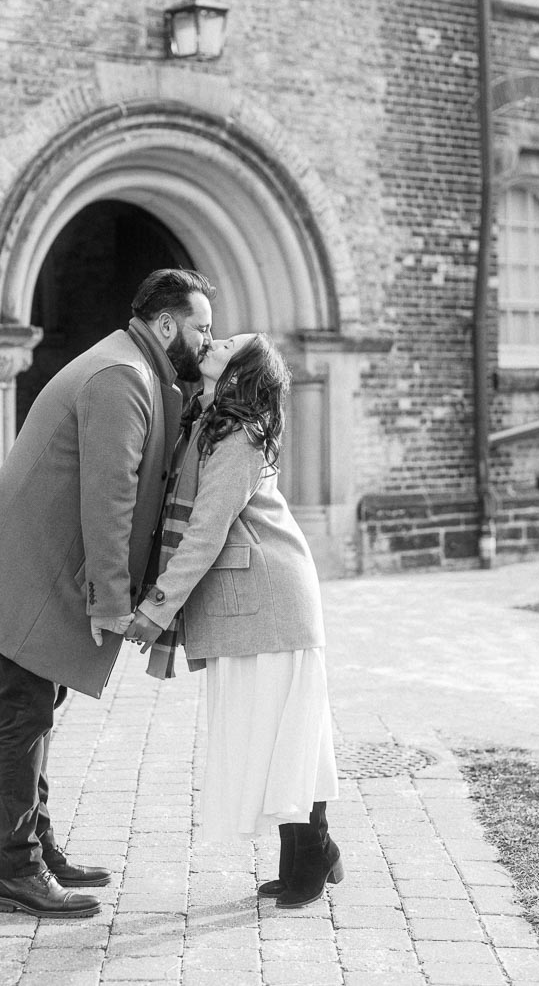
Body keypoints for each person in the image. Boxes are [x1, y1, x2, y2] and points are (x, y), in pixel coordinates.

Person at [0, 268, 215, 919]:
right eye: (200, 328)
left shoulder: (128, 364)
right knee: (24, 716)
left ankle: (36, 848)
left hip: (37, 565)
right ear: (165, 325)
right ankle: (15, 872)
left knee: (37, 709)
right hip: (32, 570)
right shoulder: (122, 376)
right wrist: (111, 602)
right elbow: (110, 497)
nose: (206, 339)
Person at [125, 331, 342, 908]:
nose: (213, 340)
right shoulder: (210, 422)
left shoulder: (240, 437)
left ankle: (311, 856)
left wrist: (157, 607)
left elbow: (206, 529)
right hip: (254, 598)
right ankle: (308, 854)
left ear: (241, 370)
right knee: (272, 733)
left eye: (226, 344)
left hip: (268, 597)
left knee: (284, 733)